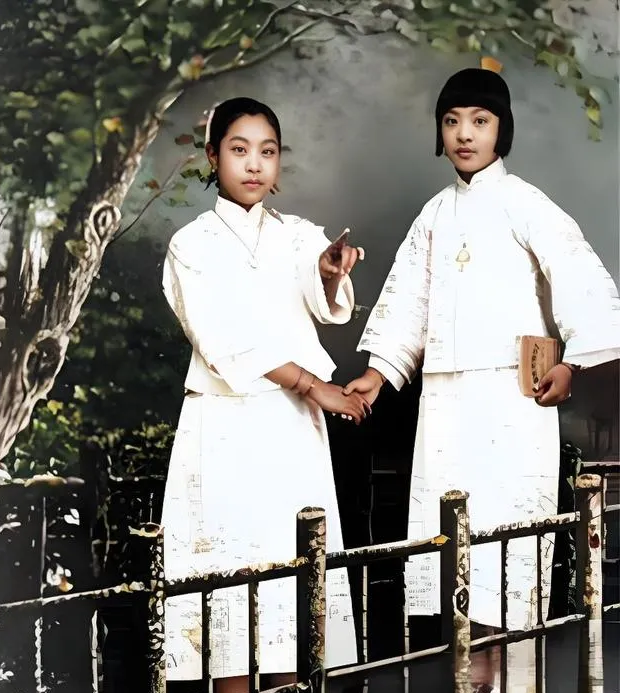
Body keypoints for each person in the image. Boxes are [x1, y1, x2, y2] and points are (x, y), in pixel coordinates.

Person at [344, 67, 620, 692]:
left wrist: (571, 364)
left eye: (480, 120)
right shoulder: (434, 214)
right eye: (452, 121)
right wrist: (378, 374)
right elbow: (408, 304)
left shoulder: (526, 203)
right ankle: (469, 683)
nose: (464, 134)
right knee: (451, 561)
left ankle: (510, 683)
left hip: (511, 407)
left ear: (502, 129)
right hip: (445, 408)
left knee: (506, 559)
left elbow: (582, 283)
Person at [161, 97, 365, 693]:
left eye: (267, 151)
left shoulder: (299, 236)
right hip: (222, 429)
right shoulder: (191, 245)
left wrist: (329, 272)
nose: (254, 164)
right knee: (230, 579)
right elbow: (223, 339)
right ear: (212, 157)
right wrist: (315, 386)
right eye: (239, 149)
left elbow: (324, 300)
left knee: (291, 583)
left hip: (290, 430)